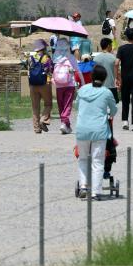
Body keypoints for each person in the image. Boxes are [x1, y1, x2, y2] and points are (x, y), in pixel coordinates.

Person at [75, 64, 118, 200]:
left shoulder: (82, 90)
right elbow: (114, 109)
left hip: (82, 129)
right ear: (105, 78)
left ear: (91, 76)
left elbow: (77, 106)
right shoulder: (106, 92)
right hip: (99, 130)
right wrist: (109, 114)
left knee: (83, 158)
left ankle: (83, 186)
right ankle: (95, 192)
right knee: (98, 161)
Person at [52, 37, 84, 134]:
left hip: (58, 85)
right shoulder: (71, 57)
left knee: (61, 105)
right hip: (70, 84)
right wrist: (83, 82)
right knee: (67, 105)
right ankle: (64, 123)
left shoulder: (55, 57)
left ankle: (66, 125)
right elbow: (78, 70)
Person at [27, 39, 54, 133]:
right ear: (44, 48)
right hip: (44, 84)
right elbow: (50, 70)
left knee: (35, 107)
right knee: (48, 104)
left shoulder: (30, 58)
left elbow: (28, 70)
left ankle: (36, 128)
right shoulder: (46, 58)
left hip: (32, 84)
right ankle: (43, 119)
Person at [92, 37, 119, 102]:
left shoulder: (95, 58)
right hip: (111, 85)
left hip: (99, 86)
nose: (112, 47)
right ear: (108, 46)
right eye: (111, 45)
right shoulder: (113, 58)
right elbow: (117, 72)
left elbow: (93, 72)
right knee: (112, 105)